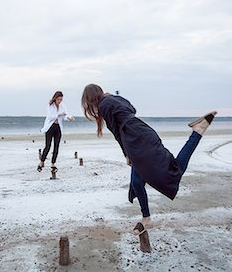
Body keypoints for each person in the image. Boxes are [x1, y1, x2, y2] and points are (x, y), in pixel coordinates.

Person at [81, 84, 217, 233]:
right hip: (142, 132)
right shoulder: (113, 99)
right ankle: (146, 219)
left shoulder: (104, 105)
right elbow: (133, 109)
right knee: (137, 182)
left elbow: (116, 132)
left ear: (90, 99)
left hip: (135, 139)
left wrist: (126, 154)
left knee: (174, 171)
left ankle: (197, 131)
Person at [38, 91, 74, 179]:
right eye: (58, 99)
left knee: (56, 146)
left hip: (58, 128)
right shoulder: (50, 105)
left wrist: (69, 118)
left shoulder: (62, 105)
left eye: (61, 99)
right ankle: (42, 161)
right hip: (50, 127)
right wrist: (59, 114)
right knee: (48, 146)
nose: (60, 101)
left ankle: (53, 164)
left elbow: (65, 115)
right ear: (55, 98)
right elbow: (50, 116)